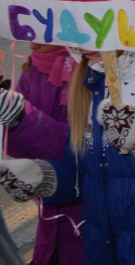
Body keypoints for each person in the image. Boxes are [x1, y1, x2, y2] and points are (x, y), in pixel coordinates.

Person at [0, 50, 135, 264]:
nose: (82, 42)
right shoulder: (89, 82)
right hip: (103, 252)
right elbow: (84, 173)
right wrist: (46, 177)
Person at [0, 43, 83, 265]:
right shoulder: (34, 66)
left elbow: (83, 152)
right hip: (51, 228)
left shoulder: (91, 67)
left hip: (88, 225)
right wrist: (9, 120)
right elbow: (17, 148)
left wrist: (21, 116)